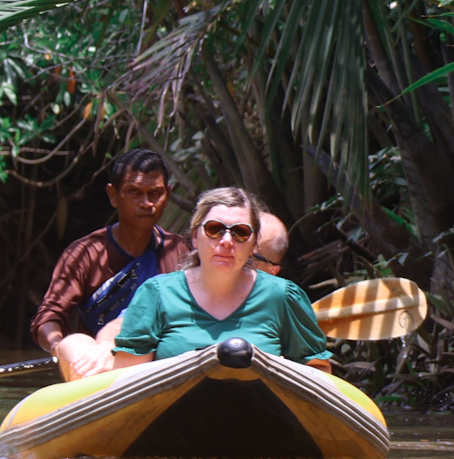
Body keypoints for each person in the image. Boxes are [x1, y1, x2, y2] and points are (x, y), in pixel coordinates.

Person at [111, 187, 331, 372]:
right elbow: (125, 382)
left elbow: (319, 374)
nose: (227, 241)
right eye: (215, 229)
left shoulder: (281, 297)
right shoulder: (157, 294)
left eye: (240, 232)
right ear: (195, 237)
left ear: (254, 244)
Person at [33, 148, 191, 381]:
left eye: (155, 193)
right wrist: (60, 348)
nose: (146, 203)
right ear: (113, 195)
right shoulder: (85, 254)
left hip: (157, 366)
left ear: (167, 195)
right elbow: (48, 318)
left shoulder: (179, 251)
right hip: (97, 368)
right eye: (134, 192)